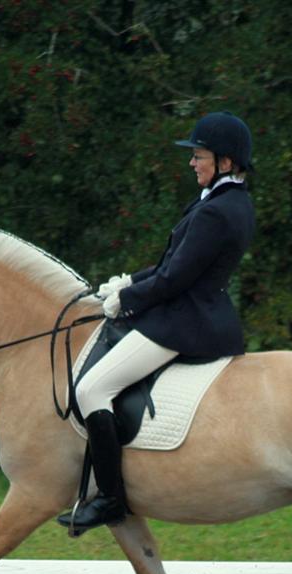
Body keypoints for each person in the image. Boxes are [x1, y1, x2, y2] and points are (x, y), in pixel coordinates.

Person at [62, 111, 256, 534]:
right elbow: (174, 263)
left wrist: (125, 301)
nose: (192, 163)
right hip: (195, 311)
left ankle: (111, 498)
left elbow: (175, 279)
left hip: (186, 322)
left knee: (92, 387)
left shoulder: (216, 212)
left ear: (225, 161)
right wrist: (130, 279)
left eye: (199, 156)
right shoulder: (228, 202)